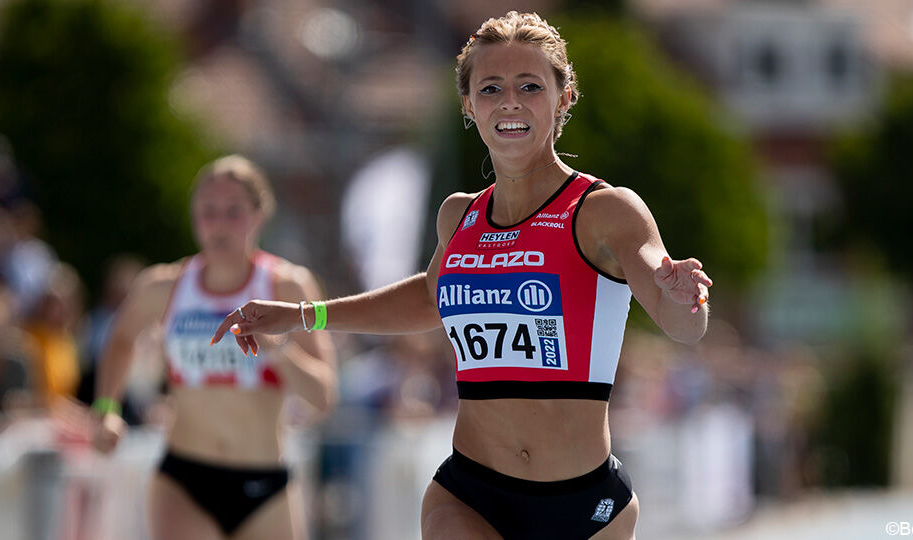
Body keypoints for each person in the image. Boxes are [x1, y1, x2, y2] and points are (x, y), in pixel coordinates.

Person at [213, 12, 712, 540]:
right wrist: (303, 316)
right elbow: (430, 298)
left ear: (563, 98)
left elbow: (683, 324)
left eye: (530, 86)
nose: (511, 102)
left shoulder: (604, 211)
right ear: (469, 106)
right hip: (470, 493)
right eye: (491, 87)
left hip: (581, 501)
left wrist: (682, 297)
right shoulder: (459, 216)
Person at [93, 155, 337, 540]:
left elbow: (323, 397)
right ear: (193, 217)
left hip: (265, 484)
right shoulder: (163, 286)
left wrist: (278, 349)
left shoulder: (287, 287)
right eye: (208, 212)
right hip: (184, 481)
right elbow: (121, 338)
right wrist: (107, 408)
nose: (219, 225)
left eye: (233, 212)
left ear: (259, 215)